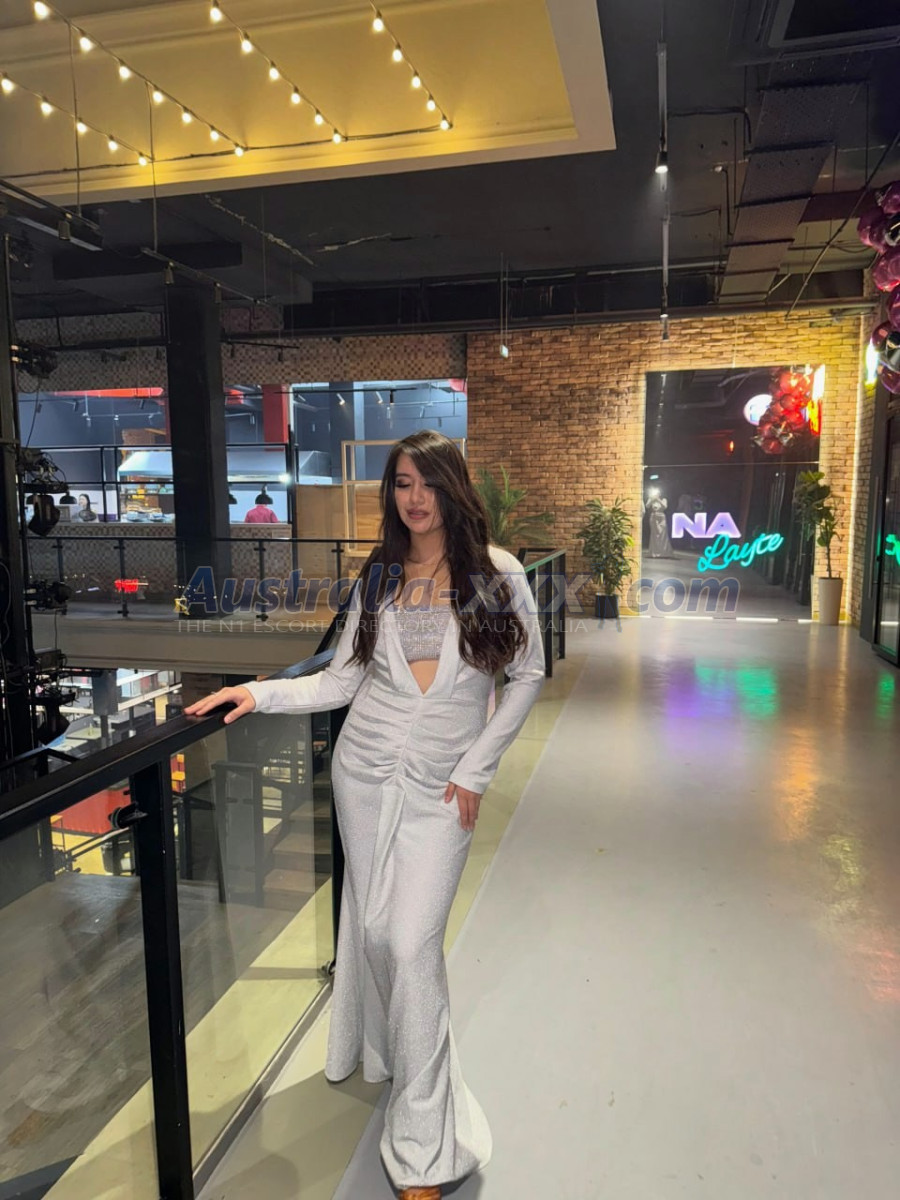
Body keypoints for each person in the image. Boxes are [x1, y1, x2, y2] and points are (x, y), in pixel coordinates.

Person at [186, 431, 545, 1199]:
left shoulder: (498, 573)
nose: (416, 499)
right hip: (364, 773)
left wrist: (478, 767)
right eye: (403, 484)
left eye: (429, 483)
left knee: (408, 943)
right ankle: (396, 1059)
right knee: (376, 929)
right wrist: (258, 693)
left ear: (454, 488)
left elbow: (528, 675)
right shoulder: (380, 574)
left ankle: (423, 1148)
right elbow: (341, 681)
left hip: (443, 787)